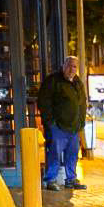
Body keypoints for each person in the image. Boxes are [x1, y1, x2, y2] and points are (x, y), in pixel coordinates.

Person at [37, 55, 87, 191]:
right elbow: (43, 102)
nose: (72, 69)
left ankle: (71, 179)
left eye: (74, 66)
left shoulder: (77, 82)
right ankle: (50, 180)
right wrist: (51, 123)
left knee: (72, 155)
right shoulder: (53, 81)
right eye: (69, 65)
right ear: (64, 65)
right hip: (57, 127)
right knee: (54, 154)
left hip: (74, 127)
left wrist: (81, 122)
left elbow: (82, 103)